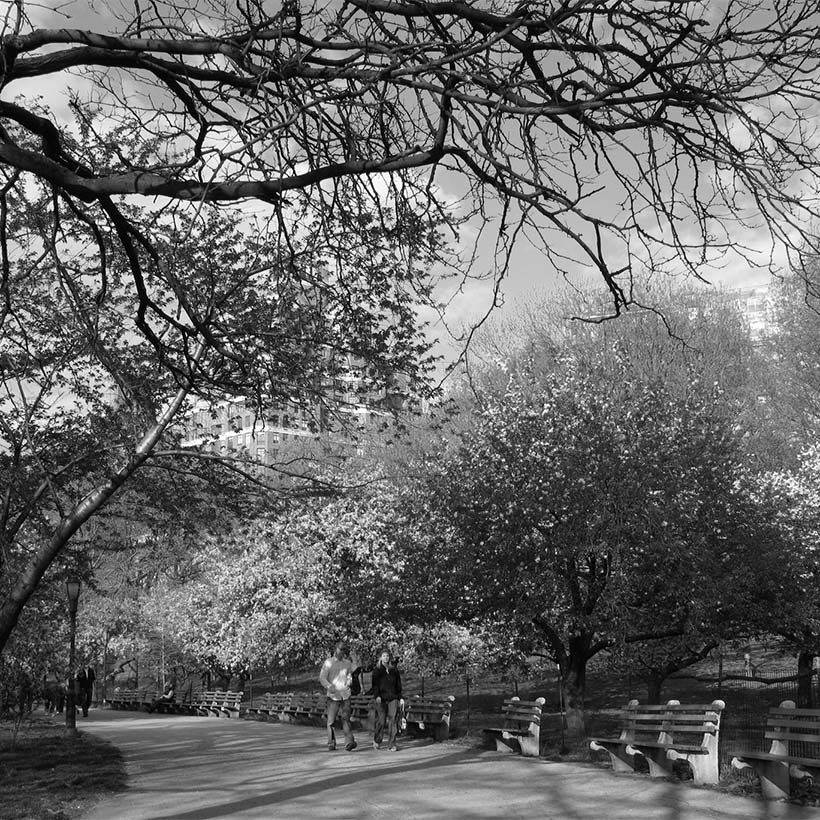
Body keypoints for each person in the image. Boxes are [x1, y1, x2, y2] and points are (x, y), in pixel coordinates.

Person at [318, 641, 357, 751]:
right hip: (333, 696)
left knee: (346, 718)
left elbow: (349, 675)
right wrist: (329, 686)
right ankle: (331, 742)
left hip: (345, 694)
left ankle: (349, 742)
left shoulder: (347, 663)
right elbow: (322, 678)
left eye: (344, 650)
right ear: (336, 649)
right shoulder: (328, 663)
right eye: (340, 649)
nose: (342, 652)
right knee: (331, 721)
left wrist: (349, 681)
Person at [370, 649, 402, 751]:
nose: (386, 658)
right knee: (381, 721)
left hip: (393, 698)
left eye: (387, 656)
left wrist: (400, 698)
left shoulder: (394, 671)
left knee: (393, 721)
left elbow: (398, 686)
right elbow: (374, 686)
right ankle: (377, 740)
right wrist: (377, 696)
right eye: (384, 656)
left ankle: (392, 744)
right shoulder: (377, 671)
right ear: (380, 658)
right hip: (381, 699)